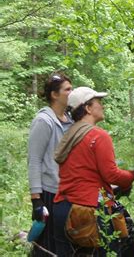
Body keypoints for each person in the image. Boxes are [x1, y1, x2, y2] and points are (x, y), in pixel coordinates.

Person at [52, 87, 134, 256]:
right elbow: (111, 174)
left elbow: (82, 172)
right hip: (90, 212)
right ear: (88, 108)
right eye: (98, 102)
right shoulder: (98, 136)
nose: (102, 106)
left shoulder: (70, 135)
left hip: (64, 208)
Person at [27, 73, 73, 256]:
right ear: (55, 95)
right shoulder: (44, 121)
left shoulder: (70, 119)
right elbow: (34, 160)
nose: (72, 92)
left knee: (65, 242)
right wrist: (36, 199)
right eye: (68, 89)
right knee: (48, 243)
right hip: (49, 191)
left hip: (68, 190)